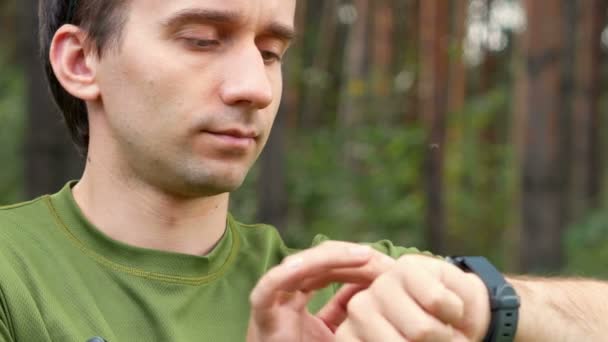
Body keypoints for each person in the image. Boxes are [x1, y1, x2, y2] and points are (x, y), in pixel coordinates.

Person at [1, 0, 607, 341]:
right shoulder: (14, 273)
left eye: (270, 53)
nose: (254, 88)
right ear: (81, 61)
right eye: (202, 40)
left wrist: (484, 303)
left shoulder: (340, 292)